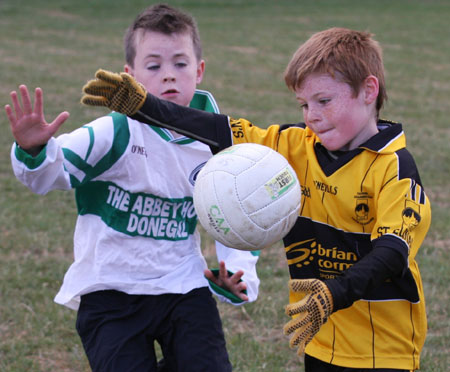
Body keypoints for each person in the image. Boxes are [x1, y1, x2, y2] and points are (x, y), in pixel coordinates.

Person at [80, 27, 432, 371]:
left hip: (383, 347)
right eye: (304, 104)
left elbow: (391, 253)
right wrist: (145, 105)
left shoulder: (395, 169)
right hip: (321, 337)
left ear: (368, 90)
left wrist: (334, 294)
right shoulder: (295, 145)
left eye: (324, 101)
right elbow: (218, 129)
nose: (312, 116)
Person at [5, 4, 261, 372]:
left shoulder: (219, 142)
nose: (169, 76)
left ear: (200, 70)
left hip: (182, 286)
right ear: (131, 75)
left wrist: (237, 275)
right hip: (111, 289)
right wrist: (34, 150)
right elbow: (52, 173)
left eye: (180, 64)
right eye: (154, 66)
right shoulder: (115, 132)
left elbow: (235, 219)